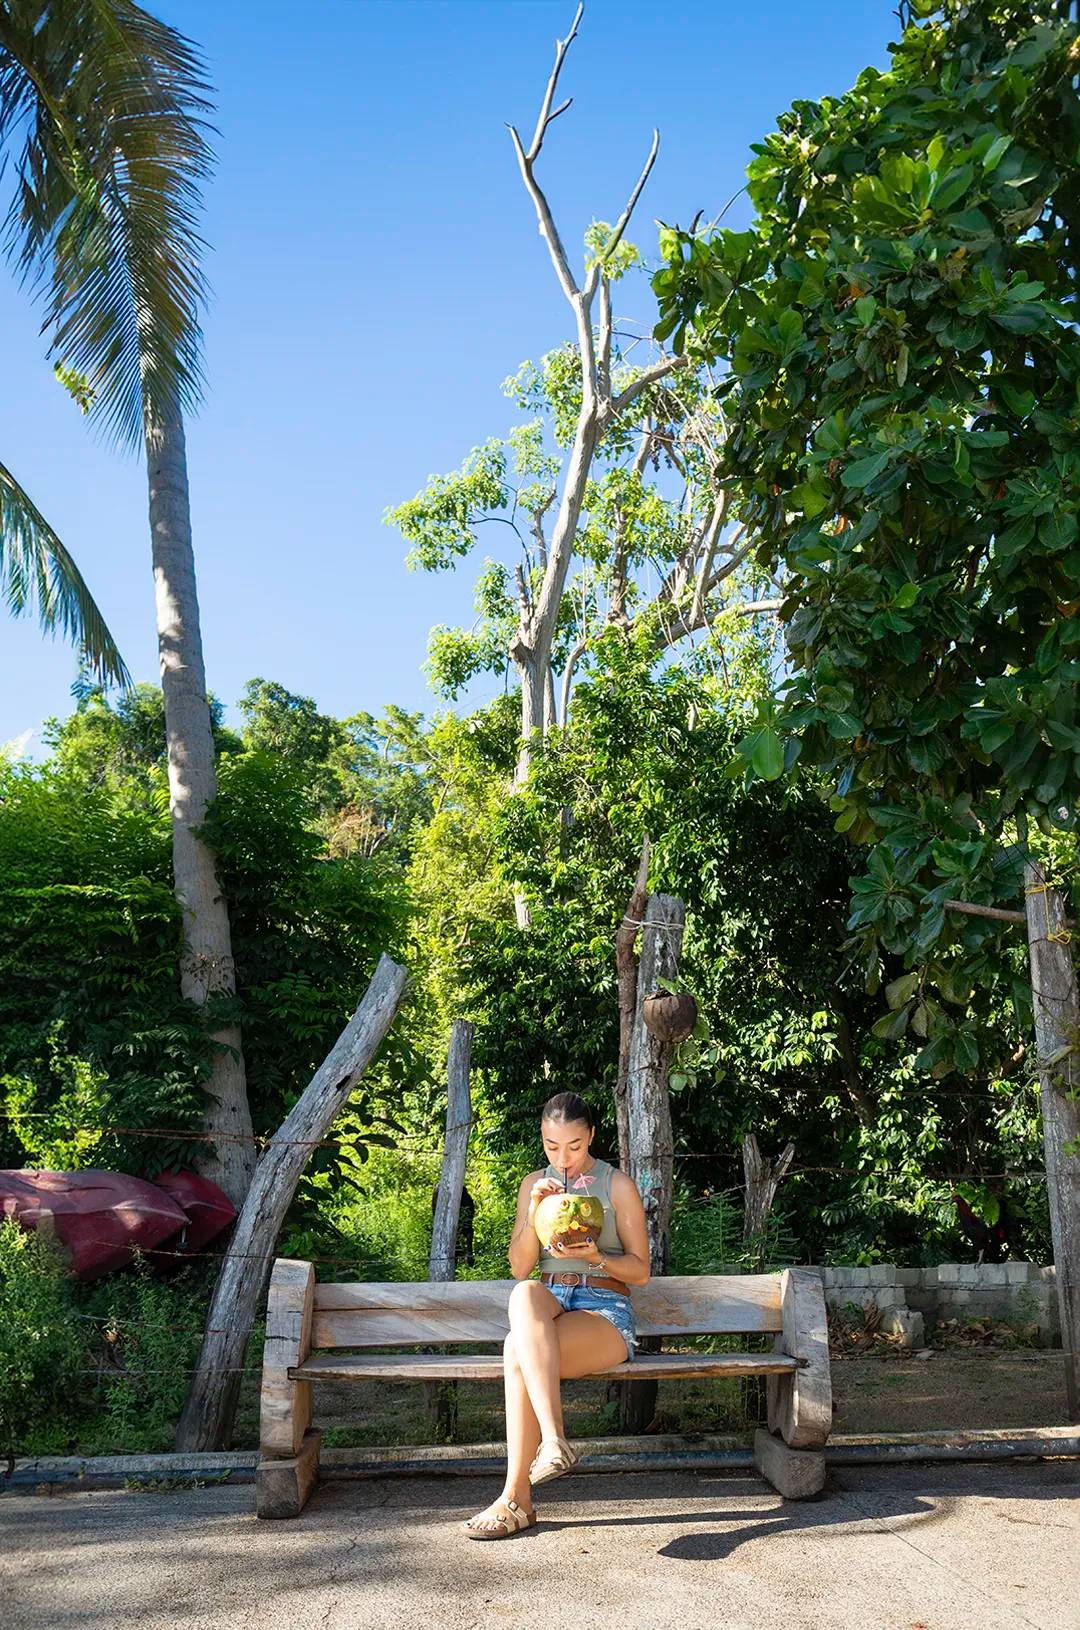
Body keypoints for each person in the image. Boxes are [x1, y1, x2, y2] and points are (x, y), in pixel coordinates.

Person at [462, 1090, 650, 1539]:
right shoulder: (535, 1185)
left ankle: (515, 1499)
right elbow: (519, 1266)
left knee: (515, 1349)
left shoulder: (616, 1185)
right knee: (525, 1293)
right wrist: (532, 1212)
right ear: (543, 1140)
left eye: (574, 1146)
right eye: (552, 1147)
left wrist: (597, 1258)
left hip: (604, 1309)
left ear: (591, 1138)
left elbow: (640, 1272)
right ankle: (554, 1442)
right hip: (551, 1302)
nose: (563, 1157)